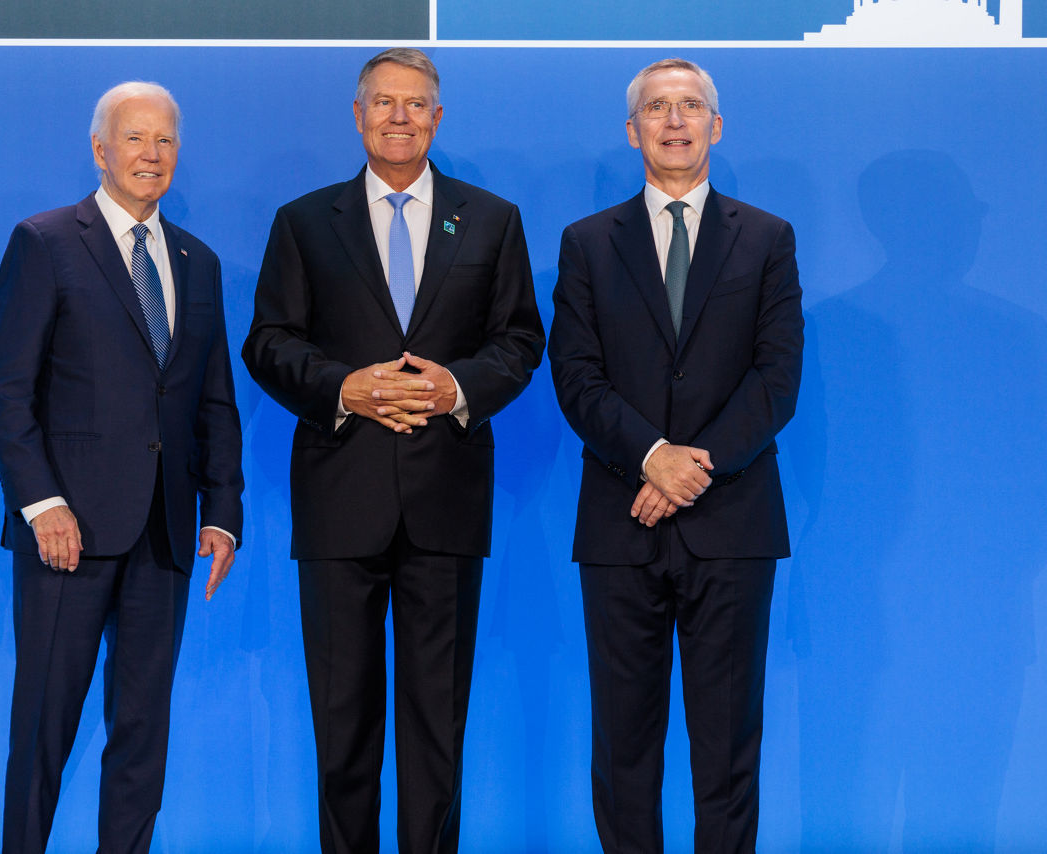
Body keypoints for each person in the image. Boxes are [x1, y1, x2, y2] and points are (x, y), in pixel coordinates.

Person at [242, 48, 543, 854]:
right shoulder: (305, 221)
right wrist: (347, 388)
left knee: (435, 731)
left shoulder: (491, 218)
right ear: (358, 115)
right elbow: (268, 342)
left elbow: (520, 339)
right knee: (342, 730)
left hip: (445, 502)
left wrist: (452, 388)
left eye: (417, 104)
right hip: (342, 503)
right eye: (385, 103)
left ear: (438, 119)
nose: (401, 117)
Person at [0, 81, 244, 853]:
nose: (150, 154)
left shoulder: (199, 261)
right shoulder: (47, 241)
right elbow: (7, 393)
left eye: (164, 141)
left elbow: (213, 400)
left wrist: (222, 512)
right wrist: (40, 505)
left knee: (141, 735)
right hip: (70, 534)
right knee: (43, 731)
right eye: (135, 138)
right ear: (100, 150)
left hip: (164, 534)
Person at [548, 58, 803, 852]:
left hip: (731, 525)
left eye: (690, 106)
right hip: (621, 524)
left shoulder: (766, 239)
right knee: (624, 749)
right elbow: (576, 375)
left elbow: (776, 378)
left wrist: (692, 467)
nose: (674, 120)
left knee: (727, 750)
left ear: (715, 127)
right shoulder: (588, 244)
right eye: (657, 108)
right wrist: (651, 455)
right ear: (633, 132)